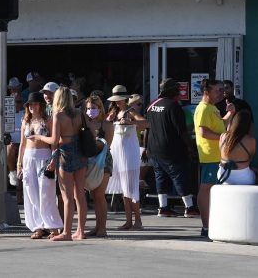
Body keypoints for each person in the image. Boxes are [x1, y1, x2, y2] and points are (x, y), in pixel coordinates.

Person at [39, 86, 87, 241]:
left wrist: (39, 137)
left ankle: (66, 232)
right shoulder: (79, 113)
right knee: (80, 195)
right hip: (80, 153)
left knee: (67, 197)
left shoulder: (58, 116)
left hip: (65, 154)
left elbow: (54, 140)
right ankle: (81, 231)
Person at [146, 78, 196, 218]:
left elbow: (148, 128)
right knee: (180, 177)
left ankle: (163, 208)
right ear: (172, 91)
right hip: (171, 149)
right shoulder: (174, 106)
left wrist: (146, 147)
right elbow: (182, 131)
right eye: (177, 90)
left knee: (160, 177)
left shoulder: (152, 105)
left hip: (154, 149)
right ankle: (190, 208)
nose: (179, 92)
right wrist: (191, 147)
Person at [16, 92, 62, 239]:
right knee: (31, 193)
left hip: (44, 157)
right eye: (30, 104)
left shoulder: (48, 120)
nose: (32, 107)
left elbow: (54, 143)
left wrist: (53, 160)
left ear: (40, 105)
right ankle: (38, 226)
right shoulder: (25, 121)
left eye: (35, 104)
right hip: (28, 158)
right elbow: (22, 144)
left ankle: (53, 226)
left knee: (46, 192)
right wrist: (19, 163)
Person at [106, 86, 148, 230]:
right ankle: (129, 221)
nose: (117, 102)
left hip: (129, 155)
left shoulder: (130, 111)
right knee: (125, 190)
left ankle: (138, 221)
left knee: (131, 189)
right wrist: (108, 120)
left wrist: (131, 123)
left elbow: (146, 123)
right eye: (115, 100)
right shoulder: (114, 113)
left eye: (120, 99)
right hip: (118, 154)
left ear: (125, 99)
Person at [193, 79, 227, 237]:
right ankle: (206, 226)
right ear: (207, 92)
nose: (222, 93)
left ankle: (211, 224)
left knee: (213, 190)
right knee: (206, 189)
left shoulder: (212, 108)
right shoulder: (204, 108)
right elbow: (203, 132)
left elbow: (218, 125)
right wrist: (224, 138)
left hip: (217, 156)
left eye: (222, 90)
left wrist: (230, 114)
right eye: (218, 90)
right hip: (210, 156)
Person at [83, 93, 114, 238]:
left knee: (100, 194)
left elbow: (107, 145)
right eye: (88, 108)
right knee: (94, 195)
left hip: (103, 161)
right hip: (89, 161)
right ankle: (97, 227)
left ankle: (103, 228)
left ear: (100, 109)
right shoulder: (84, 124)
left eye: (93, 108)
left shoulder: (106, 125)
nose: (90, 111)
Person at [219, 106, 255, 185]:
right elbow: (250, 158)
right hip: (243, 178)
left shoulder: (223, 136)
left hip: (223, 176)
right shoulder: (250, 140)